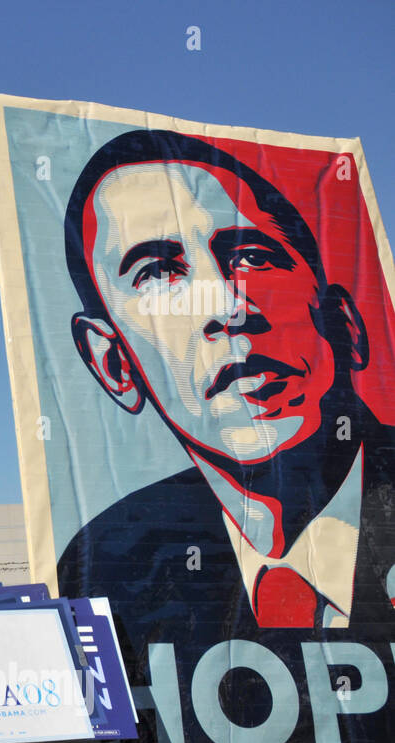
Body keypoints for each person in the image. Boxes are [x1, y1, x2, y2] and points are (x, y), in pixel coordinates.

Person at [57, 129, 395, 639]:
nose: (225, 306)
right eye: (158, 271)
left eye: (251, 256)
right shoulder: (103, 568)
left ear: (342, 320)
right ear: (114, 365)